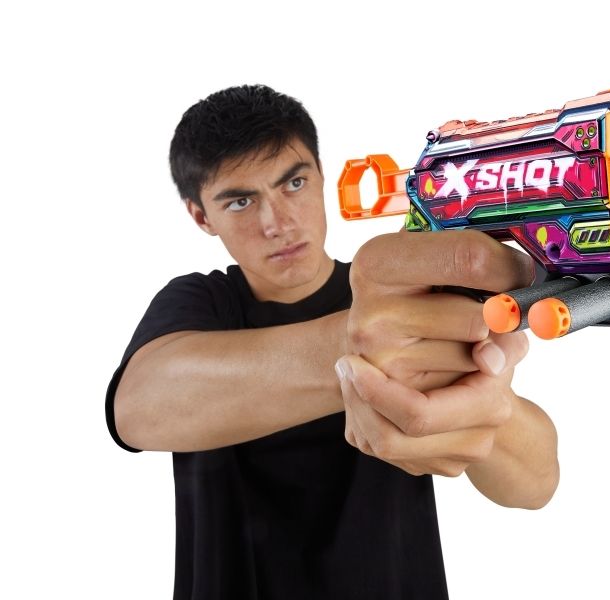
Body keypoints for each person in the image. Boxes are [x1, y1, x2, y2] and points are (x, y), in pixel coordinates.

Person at [106, 84, 559, 600]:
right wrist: (363, 345)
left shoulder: (406, 299)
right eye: (240, 201)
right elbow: (137, 410)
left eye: (294, 182)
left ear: (323, 176)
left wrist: (483, 401)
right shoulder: (201, 303)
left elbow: (537, 483)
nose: (277, 223)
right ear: (201, 216)